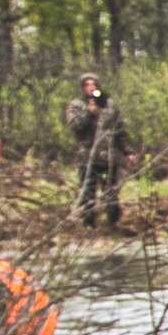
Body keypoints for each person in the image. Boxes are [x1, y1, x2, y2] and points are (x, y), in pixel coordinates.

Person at [63, 73, 131, 228]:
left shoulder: (108, 104)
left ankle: (113, 224)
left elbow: (119, 130)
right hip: (87, 158)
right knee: (88, 193)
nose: (90, 88)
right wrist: (89, 113)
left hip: (107, 157)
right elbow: (76, 126)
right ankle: (89, 224)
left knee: (111, 192)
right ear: (82, 88)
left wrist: (128, 151)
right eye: (87, 85)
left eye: (93, 84)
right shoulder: (76, 105)